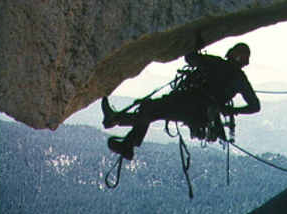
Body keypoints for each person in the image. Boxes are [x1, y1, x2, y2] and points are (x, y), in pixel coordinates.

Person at [101, 41, 260, 160]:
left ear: (232, 54)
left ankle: (124, 136)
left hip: (187, 103)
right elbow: (255, 106)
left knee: (150, 109)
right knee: (151, 111)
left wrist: (198, 43)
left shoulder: (216, 63)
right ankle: (118, 125)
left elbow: (190, 58)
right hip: (200, 115)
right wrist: (231, 110)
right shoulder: (240, 79)